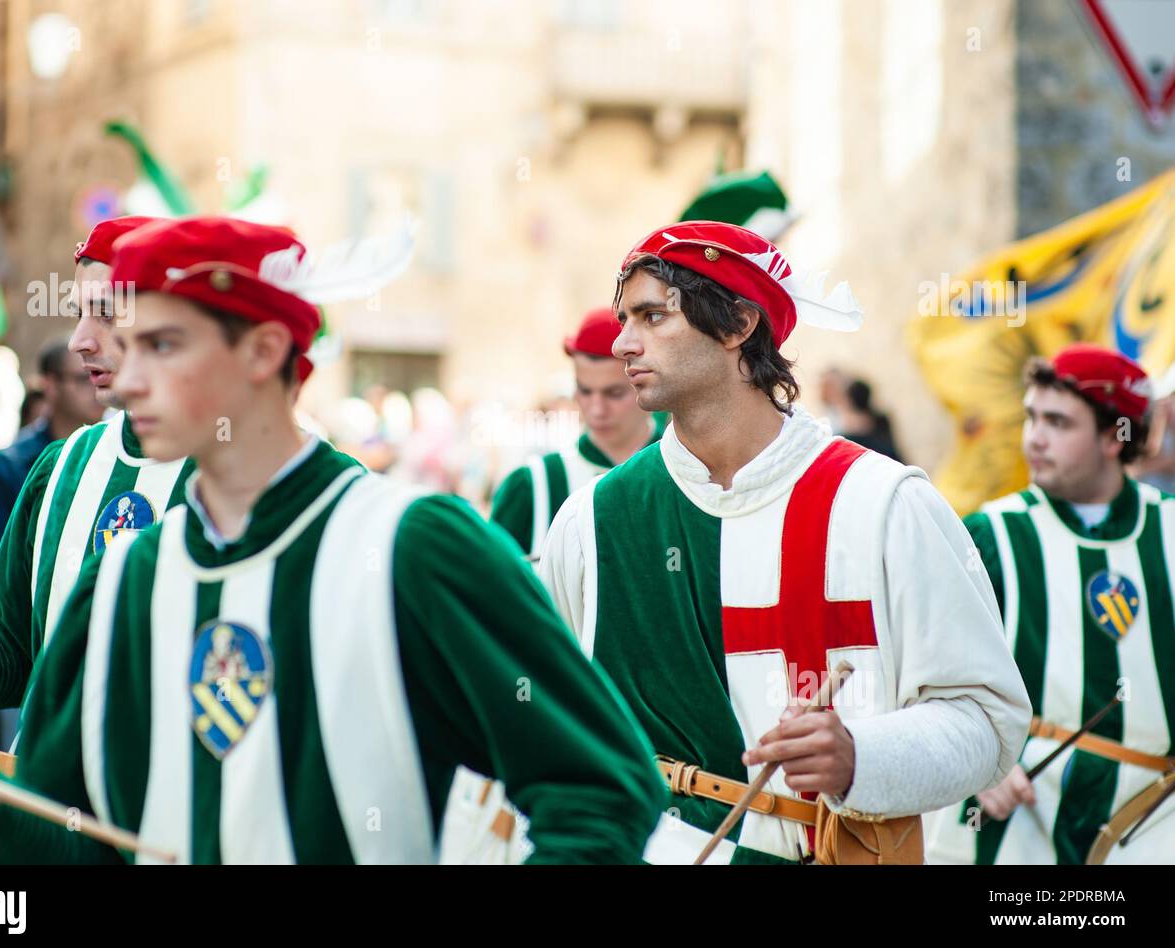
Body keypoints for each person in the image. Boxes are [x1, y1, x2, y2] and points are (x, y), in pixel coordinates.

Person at [0, 216, 665, 864]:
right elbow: (78, 839)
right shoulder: (121, 583)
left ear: (262, 352)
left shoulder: (416, 547)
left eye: (161, 345)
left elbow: (600, 788)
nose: (125, 380)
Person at [538, 220, 1032, 864]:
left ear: (740, 324)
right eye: (624, 318)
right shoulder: (591, 524)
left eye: (653, 317)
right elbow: (546, 719)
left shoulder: (885, 505)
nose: (625, 343)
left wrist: (860, 757)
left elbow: (987, 721)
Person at [0, 216, 192, 731]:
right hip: (42, 806)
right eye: (79, 315)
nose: (80, 341)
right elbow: (16, 649)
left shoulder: (231, 478)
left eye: (107, 313)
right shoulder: (62, 467)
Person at [927, 344, 1175, 864]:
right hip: (1017, 822)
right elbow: (922, 675)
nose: (1034, 438)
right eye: (1031, 417)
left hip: (1155, 822)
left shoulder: (1170, 528)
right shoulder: (989, 534)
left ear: (1114, 437)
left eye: (1059, 422)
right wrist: (976, 761)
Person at [491, 307, 662, 560]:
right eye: (584, 391)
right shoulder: (534, 484)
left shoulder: (689, 470)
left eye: (614, 393)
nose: (596, 409)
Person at [0, 338, 104, 568]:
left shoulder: (124, 456)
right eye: (85, 378)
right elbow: (1, 572)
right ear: (50, 385)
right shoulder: (4, 466)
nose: (96, 386)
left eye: (101, 374)